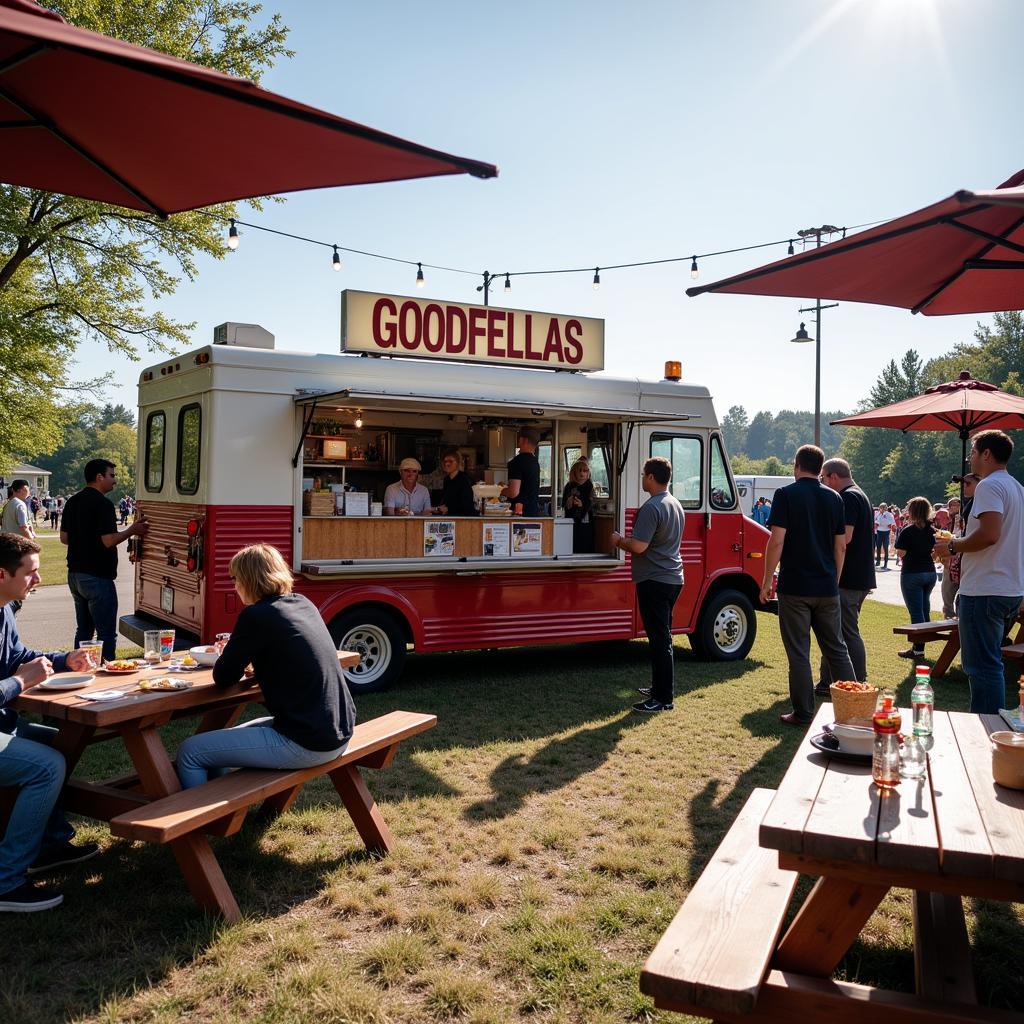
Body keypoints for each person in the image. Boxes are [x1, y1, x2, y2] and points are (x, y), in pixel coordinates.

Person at [175, 543, 356, 788]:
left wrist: (239, 651)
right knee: (215, 745)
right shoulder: (302, 603)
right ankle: (223, 821)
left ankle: (196, 825)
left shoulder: (256, 615)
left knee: (190, 752)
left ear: (248, 580)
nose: (234, 585)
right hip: (338, 730)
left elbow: (224, 677)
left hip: (307, 741)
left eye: (235, 578)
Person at [0, 533, 101, 912]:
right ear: (1, 574)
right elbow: (17, 673)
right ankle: (6, 880)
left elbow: (19, 655)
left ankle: (49, 844)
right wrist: (20, 682)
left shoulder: (5, 608)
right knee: (46, 766)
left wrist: (63, 660)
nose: (39, 580)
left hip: (5, 721)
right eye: (32, 573)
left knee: (59, 741)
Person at [761, 445, 855, 726]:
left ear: (796, 465)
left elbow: (777, 540)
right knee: (837, 649)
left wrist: (767, 580)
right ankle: (855, 707)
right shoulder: (835, 498)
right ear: (820, 468)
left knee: (799, 652)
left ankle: (803, 712)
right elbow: (840, 547)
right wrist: (834, 580)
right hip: (826, 585)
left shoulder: (785, 494)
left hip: (795, 586)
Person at [935, 431, 1024, 714]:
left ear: (987, 454)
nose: (969, 457)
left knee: (983, 668)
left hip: (985, 589)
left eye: (972, 452)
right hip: (1009, 589)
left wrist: (951, 546)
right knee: (990, 665)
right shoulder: (1018, 488)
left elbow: (989, 534)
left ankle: (986, 734)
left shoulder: (989, 486)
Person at [610, 457, 684, 713]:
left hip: (655, 579)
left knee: (659, 640)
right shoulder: (675, 504)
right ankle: (658, 688)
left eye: (643, 474)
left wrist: (619, 541)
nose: (642, 478)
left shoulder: (652, 507)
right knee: (662, 637)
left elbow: (639, 546)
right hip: (673, 577)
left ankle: (663, 699)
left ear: (651, 477)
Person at [60, 459, 148, 662]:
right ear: (99, 477)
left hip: (75, 574)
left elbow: (64, 538)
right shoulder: (103, 504)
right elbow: (108, 540)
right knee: (106, 634)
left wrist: (84, 539)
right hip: (98, 575)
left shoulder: (72, 501)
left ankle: (78, 668)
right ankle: (105, 673)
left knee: (83, 632)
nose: (114, 481)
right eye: (112, 475)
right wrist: (132, 530)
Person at [817, 458, 875, 690]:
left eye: (823, 478)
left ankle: (857, 680)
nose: (823, 483)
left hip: (848, 577)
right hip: (857, 576)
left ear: (833, 476)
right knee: (835, 631)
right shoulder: (859, 494)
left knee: (846, 632)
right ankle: (828, 681)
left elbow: (845, 537)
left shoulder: (848, 497)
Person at [894, 497, 938, 660]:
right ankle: (922, 643)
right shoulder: (932, 530)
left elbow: (900, 552)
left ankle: (918, 649)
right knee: (925, 608)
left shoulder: (908, 530)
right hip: (930, 572)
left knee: (916, 611)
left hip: (912, 572)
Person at [502, 426, 541, 516]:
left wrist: (499, 490)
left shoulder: (516, 462)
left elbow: (513, 492)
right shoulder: (535, 462)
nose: (518, 441)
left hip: (519, 513)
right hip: (533, 512)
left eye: (519, 439)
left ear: (524, 440)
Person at [562, 458, 595, 552]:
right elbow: (564, 504)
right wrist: (569, 501)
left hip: (585, 522)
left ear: (588, 473)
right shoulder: (569, 486)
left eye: (585, 470)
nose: (582, 473)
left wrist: (582, 504)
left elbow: (592, 503)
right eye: (579, 470)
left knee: (585, 546)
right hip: (571, 521)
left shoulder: (589, 486)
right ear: (574, 472)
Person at [939, 495, 962, 618]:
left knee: (960, 589)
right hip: (949, 559)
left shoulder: (963, 518)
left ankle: (959, 614)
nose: (955, 507)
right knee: (947, 589)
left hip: (962, 558)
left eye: (957, 505)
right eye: (952, 505)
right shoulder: (946, 520)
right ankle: (948, 612)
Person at [437, 450, 477, 517]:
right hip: (450, 518)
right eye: (445, 461)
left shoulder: (464, 479)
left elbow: (468, 505)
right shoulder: (446, 479)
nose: (447, 464)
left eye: (451, 461)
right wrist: (440, 508)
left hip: (464, 519)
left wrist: (449, 509)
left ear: (458, 463)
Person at [874, 503, 895, 569]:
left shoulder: (889, 514)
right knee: (878, 547)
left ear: (885, 508)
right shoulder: (877, 514)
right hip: (879, 531)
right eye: (881, 508)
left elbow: (892, 523)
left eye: (883, 508)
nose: (881, 509)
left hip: (886, 532)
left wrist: (892, 527)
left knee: (886, 547)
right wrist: (876, 524)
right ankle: (878, 561)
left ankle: (886, 563)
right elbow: (875, 521)